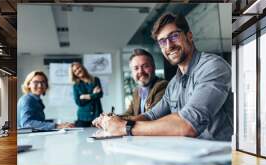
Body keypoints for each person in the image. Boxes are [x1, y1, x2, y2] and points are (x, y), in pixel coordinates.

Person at [93, 13, 233, 141]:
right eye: (162, 41)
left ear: (189, 36)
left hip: (220, 159)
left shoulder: (212, 67)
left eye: (174, 36)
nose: (169, 45)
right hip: (190, 156)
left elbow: (188, 124)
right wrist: (114, 120)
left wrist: (125, 127)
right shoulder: (174, 84)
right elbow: (150, 116)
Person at [121, 48, 168, 119]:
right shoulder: (137, 91)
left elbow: (150, 117)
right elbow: (129, 113)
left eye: (145, 66)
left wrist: (116, 121)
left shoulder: (162, 86)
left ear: (154, 67)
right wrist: (111, 117)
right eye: (136, 68)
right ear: (132, 72)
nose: (140, 71)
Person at [70, 62, 103, 127]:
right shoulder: (76, 85)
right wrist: (93, 94)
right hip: (83, 117)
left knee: (99, 134)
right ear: (74, 74)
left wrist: (85, 96)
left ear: (82, 67)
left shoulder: (95, 80)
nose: (78, 71)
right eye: (75, 71)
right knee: (82, 136)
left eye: (78, 68)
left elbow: (100, 94)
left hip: (97, 115)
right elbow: (79, 102)